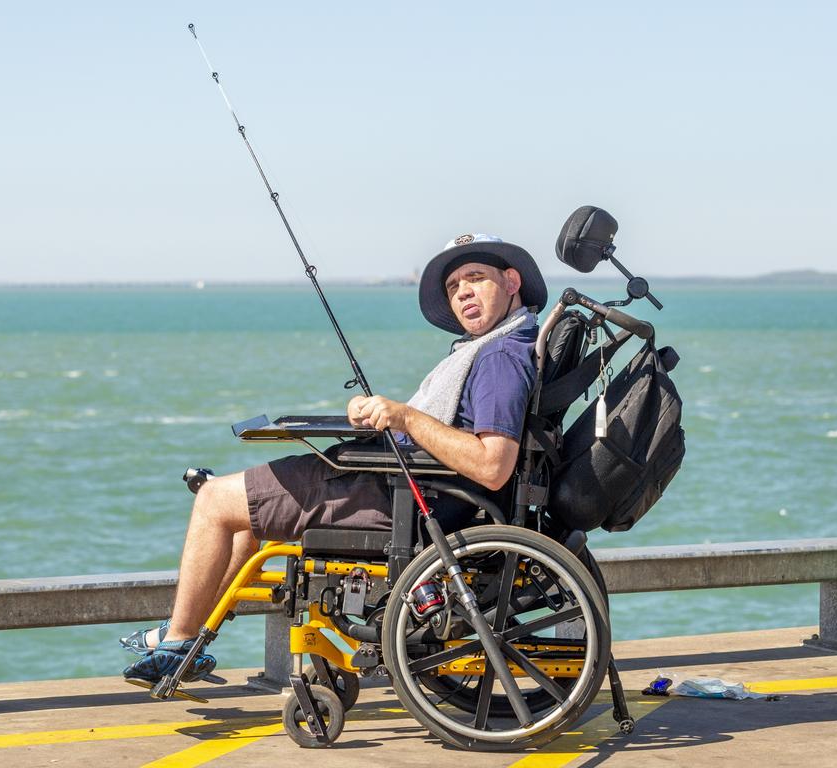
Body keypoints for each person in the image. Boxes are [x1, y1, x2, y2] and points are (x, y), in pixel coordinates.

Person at [121, 233, 548, 683]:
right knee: (244, 517)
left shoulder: (500, 356)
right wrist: (379, 418)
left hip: (397, 497)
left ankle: (176, 643)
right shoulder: (500, 344)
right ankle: (190, 637)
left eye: (475, 278)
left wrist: (402, 417)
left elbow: (493, 465)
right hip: (397, 481)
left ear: (512, 281)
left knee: (212, 500)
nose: (462, 291)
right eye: (454, 285)